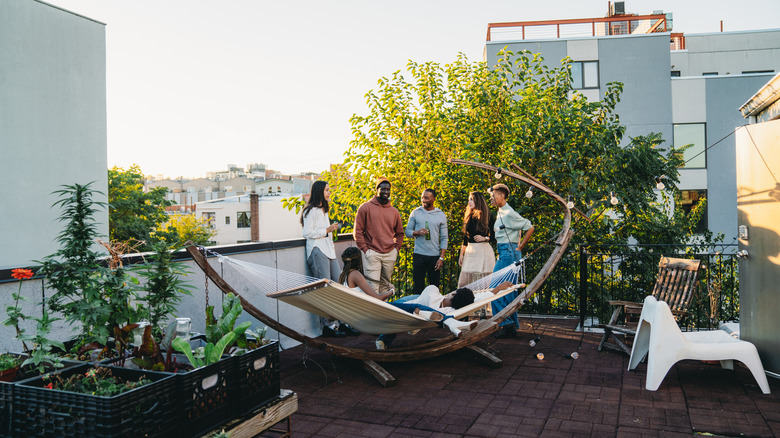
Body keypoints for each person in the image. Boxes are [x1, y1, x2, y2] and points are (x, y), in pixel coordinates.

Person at [375, 281, 515, 349]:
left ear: (453, 293)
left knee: (397, 306)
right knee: (406, 304)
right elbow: (481, 299)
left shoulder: (432, 290)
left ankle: (383, 339)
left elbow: (428, 297)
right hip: (416, 313)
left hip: (410, 309)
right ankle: (384, 339)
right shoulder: (451, 312)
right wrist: (497, 290)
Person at [301, 181, 358, 337]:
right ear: (319, 191)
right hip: (317, 251)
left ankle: (343, 322)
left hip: (329, 251)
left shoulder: (324, 210)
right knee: (325, 289)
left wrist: (328, 230)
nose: (329, 193)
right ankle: (329, 326)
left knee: (340, 286)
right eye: (327, 190)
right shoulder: (310, 211)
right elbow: (307, 233)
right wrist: (327, 230)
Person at [489, 183, 534, 339]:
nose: (491, 198)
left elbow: (529, 226)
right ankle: (510, 326)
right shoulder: (501, 212)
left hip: (509, 252)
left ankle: (506, 323)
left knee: (495, 288)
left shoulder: (508, 212)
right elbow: (517, 229)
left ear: (501, 196)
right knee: (508, 290)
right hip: (504, 251)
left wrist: (520, 246)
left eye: (493, 196)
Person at [353, 177, 404, 294]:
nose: (386, 192)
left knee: (385, 286)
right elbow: (358, 231)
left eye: (388, 189)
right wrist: (365, 250)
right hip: (372, 253)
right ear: (377, 190)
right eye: (383, 189)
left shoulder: (394, 211)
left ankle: (383, 310)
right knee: (372, 287)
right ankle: (371, 312)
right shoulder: (365, 207)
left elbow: (400, 233)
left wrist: (396, 249)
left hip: (390, 253)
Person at [405, 188, 448, 293]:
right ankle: (417, 309)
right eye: (422, 198)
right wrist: (417, 232)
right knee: (418, 288)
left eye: (426, 198)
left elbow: (444, 238)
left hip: (434, 257)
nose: (423, 200)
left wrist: (441, 258)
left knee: (434, 288)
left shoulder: (440, 215)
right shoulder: (416, 213)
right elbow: (407, 232)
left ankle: (432, 308)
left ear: (433, 199)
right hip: (419, 255)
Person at [457, 191, 495, 288]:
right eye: (469, 200)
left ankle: (484, 303)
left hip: (484, 251)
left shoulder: (488, 216)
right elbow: (465, 237)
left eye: (471, 199)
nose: (469, 202)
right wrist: (461, 254)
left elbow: (495, 236)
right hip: (470, 251)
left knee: (484, 284)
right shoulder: (468, 216)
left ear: (478, 201)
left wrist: (485, 238)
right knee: (463, 283)